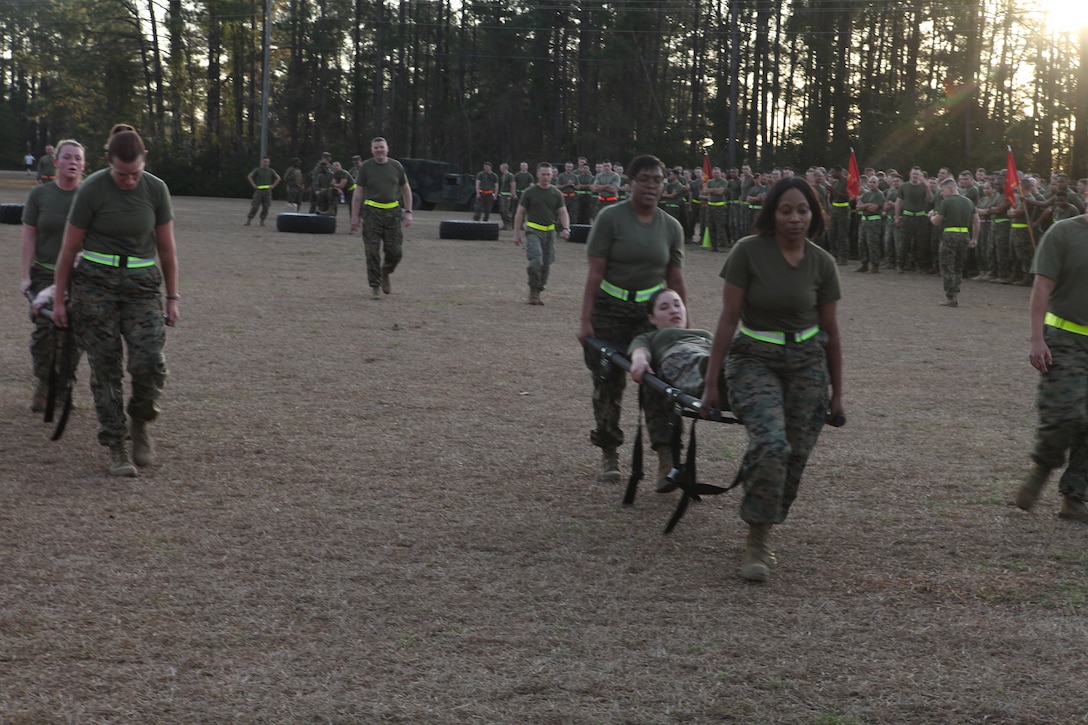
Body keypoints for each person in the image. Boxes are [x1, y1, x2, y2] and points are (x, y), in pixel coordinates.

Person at [700, 177, 844, 583]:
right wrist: (712, 383)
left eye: (803, 210)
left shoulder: (822, 263)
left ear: (814, 215)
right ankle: (757, 537)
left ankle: (768, 519)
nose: (795, 218)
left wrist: (838, 394)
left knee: (795, 454)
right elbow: (728, 319)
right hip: (752, 359)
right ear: (772, 214)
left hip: (806, 361)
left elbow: (830, 331)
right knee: (771, 443)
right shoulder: (748, 253)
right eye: (786, 210)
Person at [52, 127, 180, 478]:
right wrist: (61, 299)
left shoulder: (156, 190)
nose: (128, 180)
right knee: (105, 369)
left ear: (144, 163)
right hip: (95, 286)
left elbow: (167, 249)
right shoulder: (92, 189)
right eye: (122, 174)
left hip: (142, 286)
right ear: (109, 162)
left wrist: (172, 297)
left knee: (150, 361)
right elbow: (68, 250)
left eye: (135, 173)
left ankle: (140, 420)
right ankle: (116, 445)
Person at [577, 154, 687, 490]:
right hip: (610, 310)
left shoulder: (671, 227)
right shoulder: (610, 219)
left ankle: (666, 456)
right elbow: (595, 274)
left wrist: (683, 327)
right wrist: (585, 322)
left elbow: (676, 280)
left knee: (658, 383)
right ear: (630, 183)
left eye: (658, 180)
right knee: (608, 383)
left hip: (650, 315)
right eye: (645, 179)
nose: (652, 185)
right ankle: (609, 450)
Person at [1016, 211, 1088, 523]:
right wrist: (1036, 339)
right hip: (1065, 338)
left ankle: (1073, 497)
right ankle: (1043, 465)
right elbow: (1042, 286)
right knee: (1066, 413)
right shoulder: (1063, 232)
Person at [21, 139, 86, 411]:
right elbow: (29, 237)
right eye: (68, 157)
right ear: (56, 162)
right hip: (45, 274)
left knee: (73, 333)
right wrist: (25, 276)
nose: (72, 162)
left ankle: (63, 386)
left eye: (78, 159)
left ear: (83, 165)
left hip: (80, 277)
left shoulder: (89, 196)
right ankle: (45, 382)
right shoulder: (40, 196)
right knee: (46, 331)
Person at [350, 137, 413, 300]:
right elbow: (358, 193)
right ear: (372, 150)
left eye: (381, 147)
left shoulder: (396, 166)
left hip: (393, 214)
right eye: (376, 148)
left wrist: (408, 212)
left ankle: (386, 271)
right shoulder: (366, 167)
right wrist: (355, 217)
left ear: (387, 148)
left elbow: (406, 190)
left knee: (395, 252)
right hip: (371, 214)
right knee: (372, 251)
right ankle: (375, 286)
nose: (379, 150)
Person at [513, 162, 571, 305]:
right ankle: (533, 289)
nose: (546, 177)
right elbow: (520, 213)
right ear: (538, 174)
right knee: (536, 261)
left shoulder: (556, 193)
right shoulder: (529, 192)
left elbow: (563, 212)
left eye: (548, 174)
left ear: (552, 175)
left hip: (549, 233)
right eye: (543, 174)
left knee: (546, 264)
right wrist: (516, 234)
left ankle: (538, 291)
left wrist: (566, 228)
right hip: (533, 231)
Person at [929, 177, 979, 307]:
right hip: (964, 235)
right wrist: (974, 238)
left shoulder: (946, 203)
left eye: (943, 190)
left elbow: (936, 221)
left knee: (947, 266)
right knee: (958, 267)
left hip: (949, 235)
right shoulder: (968, 202)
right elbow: (976, 221)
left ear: (951, 189)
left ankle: (950, 296)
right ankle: (955, 293)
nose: (941, 194)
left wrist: (931, 216)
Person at [244, 156, 281, 226]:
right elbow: (249, 176)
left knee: (266, 207)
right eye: (264, 161)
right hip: (259, 190)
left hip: (267, 191)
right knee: (255, 206)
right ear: (262, 162)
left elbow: (278, 178)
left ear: (269, 163)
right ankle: (249, 219)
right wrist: (253, 184)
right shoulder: (258, 170)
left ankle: (262, 220)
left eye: (267, 162)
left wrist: (273, 185)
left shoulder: (271, 171)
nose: (265, 163)